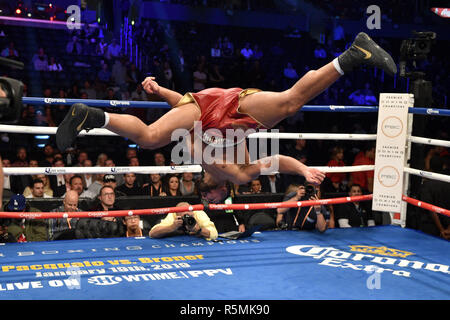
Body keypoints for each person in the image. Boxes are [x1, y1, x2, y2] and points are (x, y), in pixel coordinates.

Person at [56, 32, 397, 205]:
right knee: (290, 103)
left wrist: (162, 92)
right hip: (219, 108)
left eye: (210, 201)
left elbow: (187, 115)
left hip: (215, 108)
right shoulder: (233, 174)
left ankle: (353, 54)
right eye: (212, 201)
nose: (212, 201)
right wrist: (303, 170)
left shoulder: (207, 163)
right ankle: (95, 116)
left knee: (149, 137)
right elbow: (274, 160)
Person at [149, 202, 218, 240]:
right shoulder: (173, 214)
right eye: (182, 212)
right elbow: (152, 234)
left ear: (193, 212)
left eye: (188, 211)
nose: (186, 215)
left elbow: (214, 234)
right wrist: (172, 227)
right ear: (177, 214)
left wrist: (199, 230)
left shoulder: (199, 213)